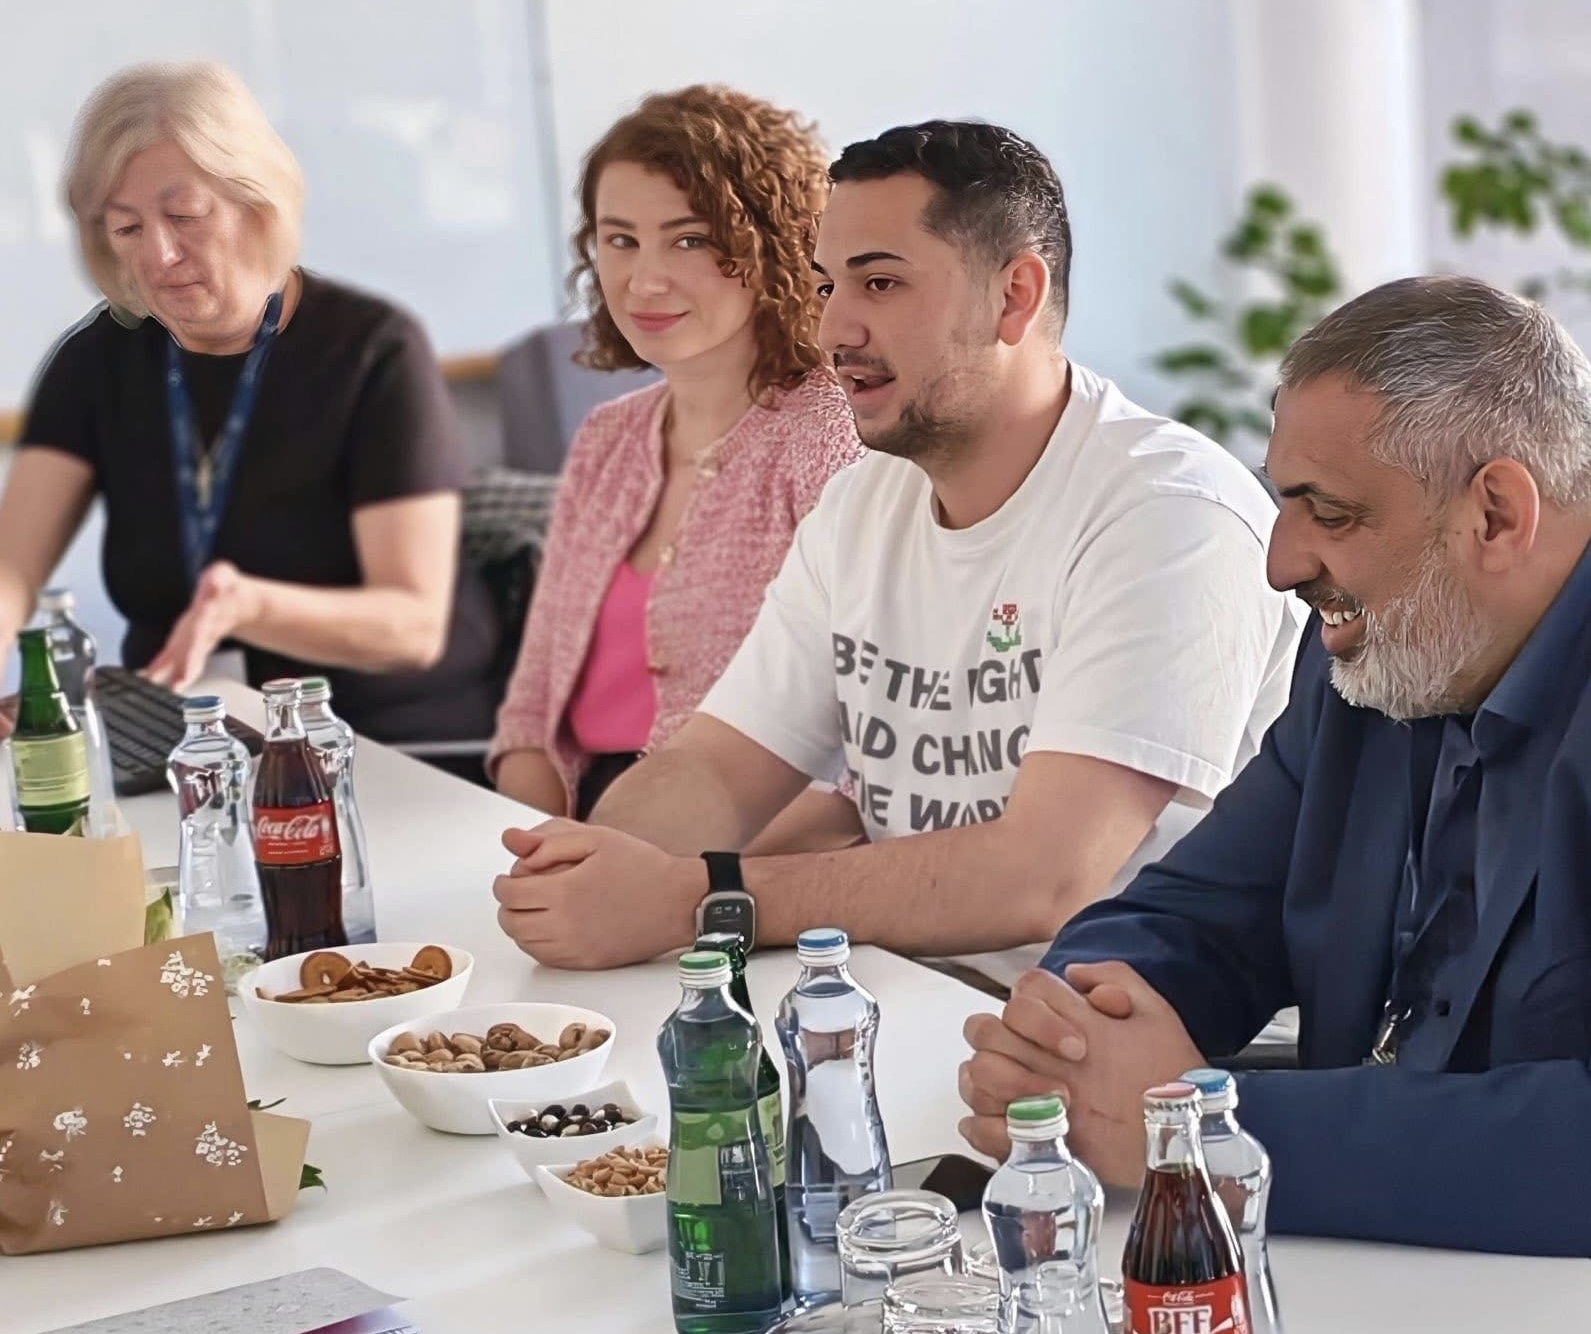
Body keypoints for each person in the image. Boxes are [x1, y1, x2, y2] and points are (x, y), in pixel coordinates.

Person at [957, 275, 1591, 1334]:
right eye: (1283, 501)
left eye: (1329, 512)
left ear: (1495, 513)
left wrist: (1191, 1129)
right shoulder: (1397, 626)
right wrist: (1070, 1035)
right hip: (1415, 1251)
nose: (1280, 561)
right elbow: (1200, 911)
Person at [492, 121, 1305, 984]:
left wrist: (700, 900)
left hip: (1135, 1029)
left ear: (1013, 297)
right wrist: (581, 868)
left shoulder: (1170, 513)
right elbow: (717, 770)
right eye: (826, 285)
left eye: (879, 282)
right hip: (915, 991)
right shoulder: (860, 505)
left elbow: (1042, 879)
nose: (832, 328)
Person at [0, 61, 497, 741]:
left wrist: (246, 607)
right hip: (189, 737)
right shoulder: (98, 359)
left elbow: (412, 626)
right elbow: (12, 566)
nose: (159, 255)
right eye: (127, 229)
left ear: (257, 207)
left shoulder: (372, 351)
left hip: (384, 735)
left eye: (184, 217)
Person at [486, 85, 861, 822]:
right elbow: (530, 716)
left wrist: (646, 860)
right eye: (620, 240)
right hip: (584, 834)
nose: (645, 280)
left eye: (689, 240)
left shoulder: (832, 438)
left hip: (751, 847)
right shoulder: (606, 438)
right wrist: (541, 842)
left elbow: (865, 755)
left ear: (774, 245)